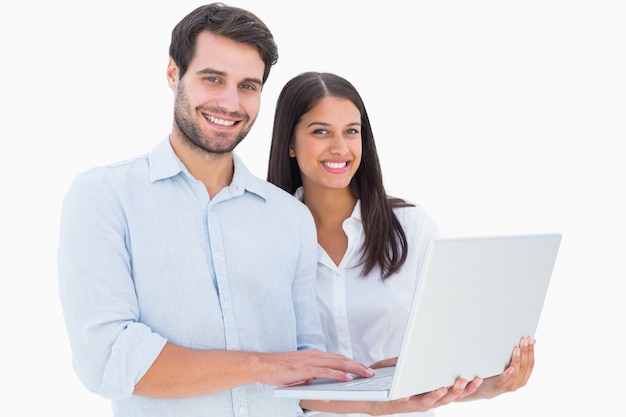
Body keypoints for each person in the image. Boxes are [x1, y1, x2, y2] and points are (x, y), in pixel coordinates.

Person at [57, 5, 376, 417]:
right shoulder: (104, 197)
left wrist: (386, 399)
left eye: (248, 86)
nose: (230, 102)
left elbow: (302, 371)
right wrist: (262, 366)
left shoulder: (289, 217)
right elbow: (110, 361)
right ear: (174, 74)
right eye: (213, 79)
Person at [267, 71, 537, 416]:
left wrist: (489, 385)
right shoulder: (266, 238)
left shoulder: (410, 229)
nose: (340, 147)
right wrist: (370, 401)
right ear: (290, 142)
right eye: (321, 131)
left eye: (352, 131)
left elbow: (444, 365)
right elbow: (271, 378)